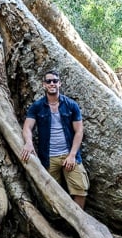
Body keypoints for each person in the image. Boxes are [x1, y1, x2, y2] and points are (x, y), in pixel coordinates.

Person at [21, 69, 89, 209]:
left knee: (80, 189)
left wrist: (72, 155)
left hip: (69, 155)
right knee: (51, 194)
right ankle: (59, 224)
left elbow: (79, 131)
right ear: (43, 85)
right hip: (49, 157)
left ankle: (79, 222)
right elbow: (27, 127)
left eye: (55, 81)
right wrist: (28, 142)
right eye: (48, 81)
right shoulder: (37, 107)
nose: (52, 83)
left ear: (60, 84)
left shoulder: (71, 105)